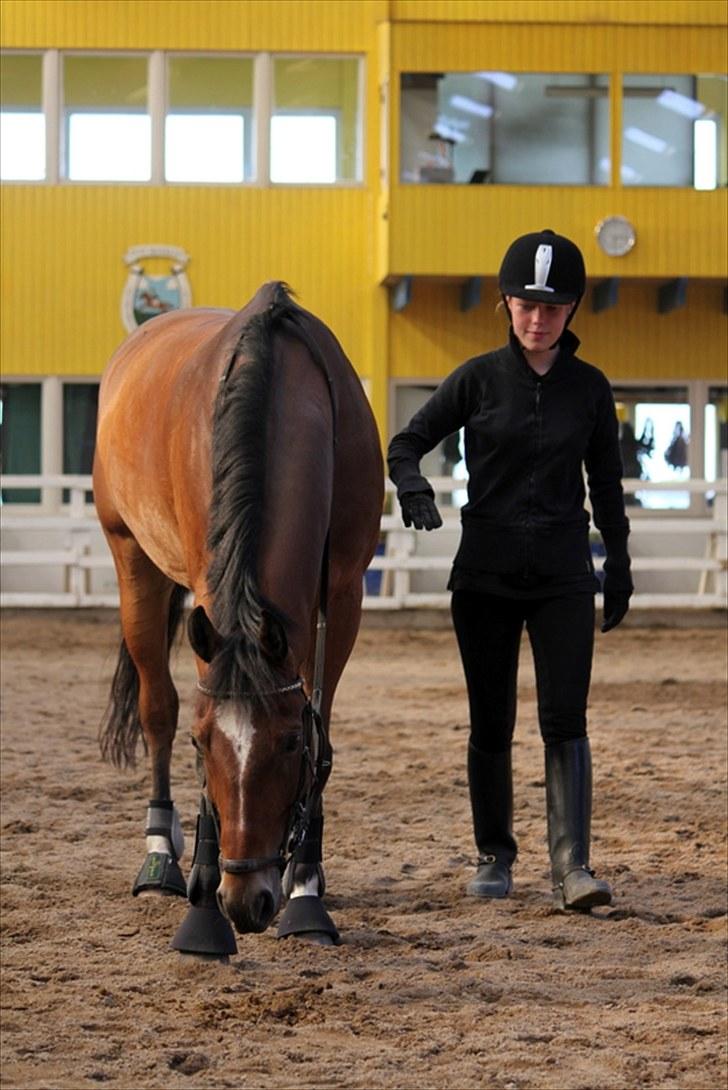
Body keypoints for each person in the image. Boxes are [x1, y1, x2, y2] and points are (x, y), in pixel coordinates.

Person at [387, 229, 633, 913]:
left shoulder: (589, 389)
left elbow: (607, 486)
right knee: (490, 722)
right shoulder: (475, 379)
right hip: (486, 577)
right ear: (505, 302)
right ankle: (494, 855)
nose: (537, 319)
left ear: (573, 310)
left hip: (562, 575)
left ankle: (572, 867)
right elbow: (406, 442)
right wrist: (413, 487)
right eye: (526, 304)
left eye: (551, 308)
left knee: (565, 719)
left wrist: (618, 563)